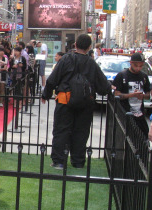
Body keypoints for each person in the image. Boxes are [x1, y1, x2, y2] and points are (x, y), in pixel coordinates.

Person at [41, 34, 111, 169]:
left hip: (65, 100)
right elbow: (103, 86)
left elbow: (52, 79)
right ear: (89, 47)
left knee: (61, 131)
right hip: (85, 103)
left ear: (75, 45)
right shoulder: (92, 63)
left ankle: (59, 161)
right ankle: (78, 162)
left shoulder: (66, 59)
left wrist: (46, 94)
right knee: (81, 132)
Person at [113, 53, 151, 136]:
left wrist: (142, 96)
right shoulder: (122, 75)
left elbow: (148, 94)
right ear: (130, 63)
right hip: (125, 113)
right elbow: (116, 95)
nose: (138, 68)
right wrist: (132, 95)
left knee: (143, 137)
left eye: (140, 66)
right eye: (136, 65)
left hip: (139, 115)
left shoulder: (144, 76)